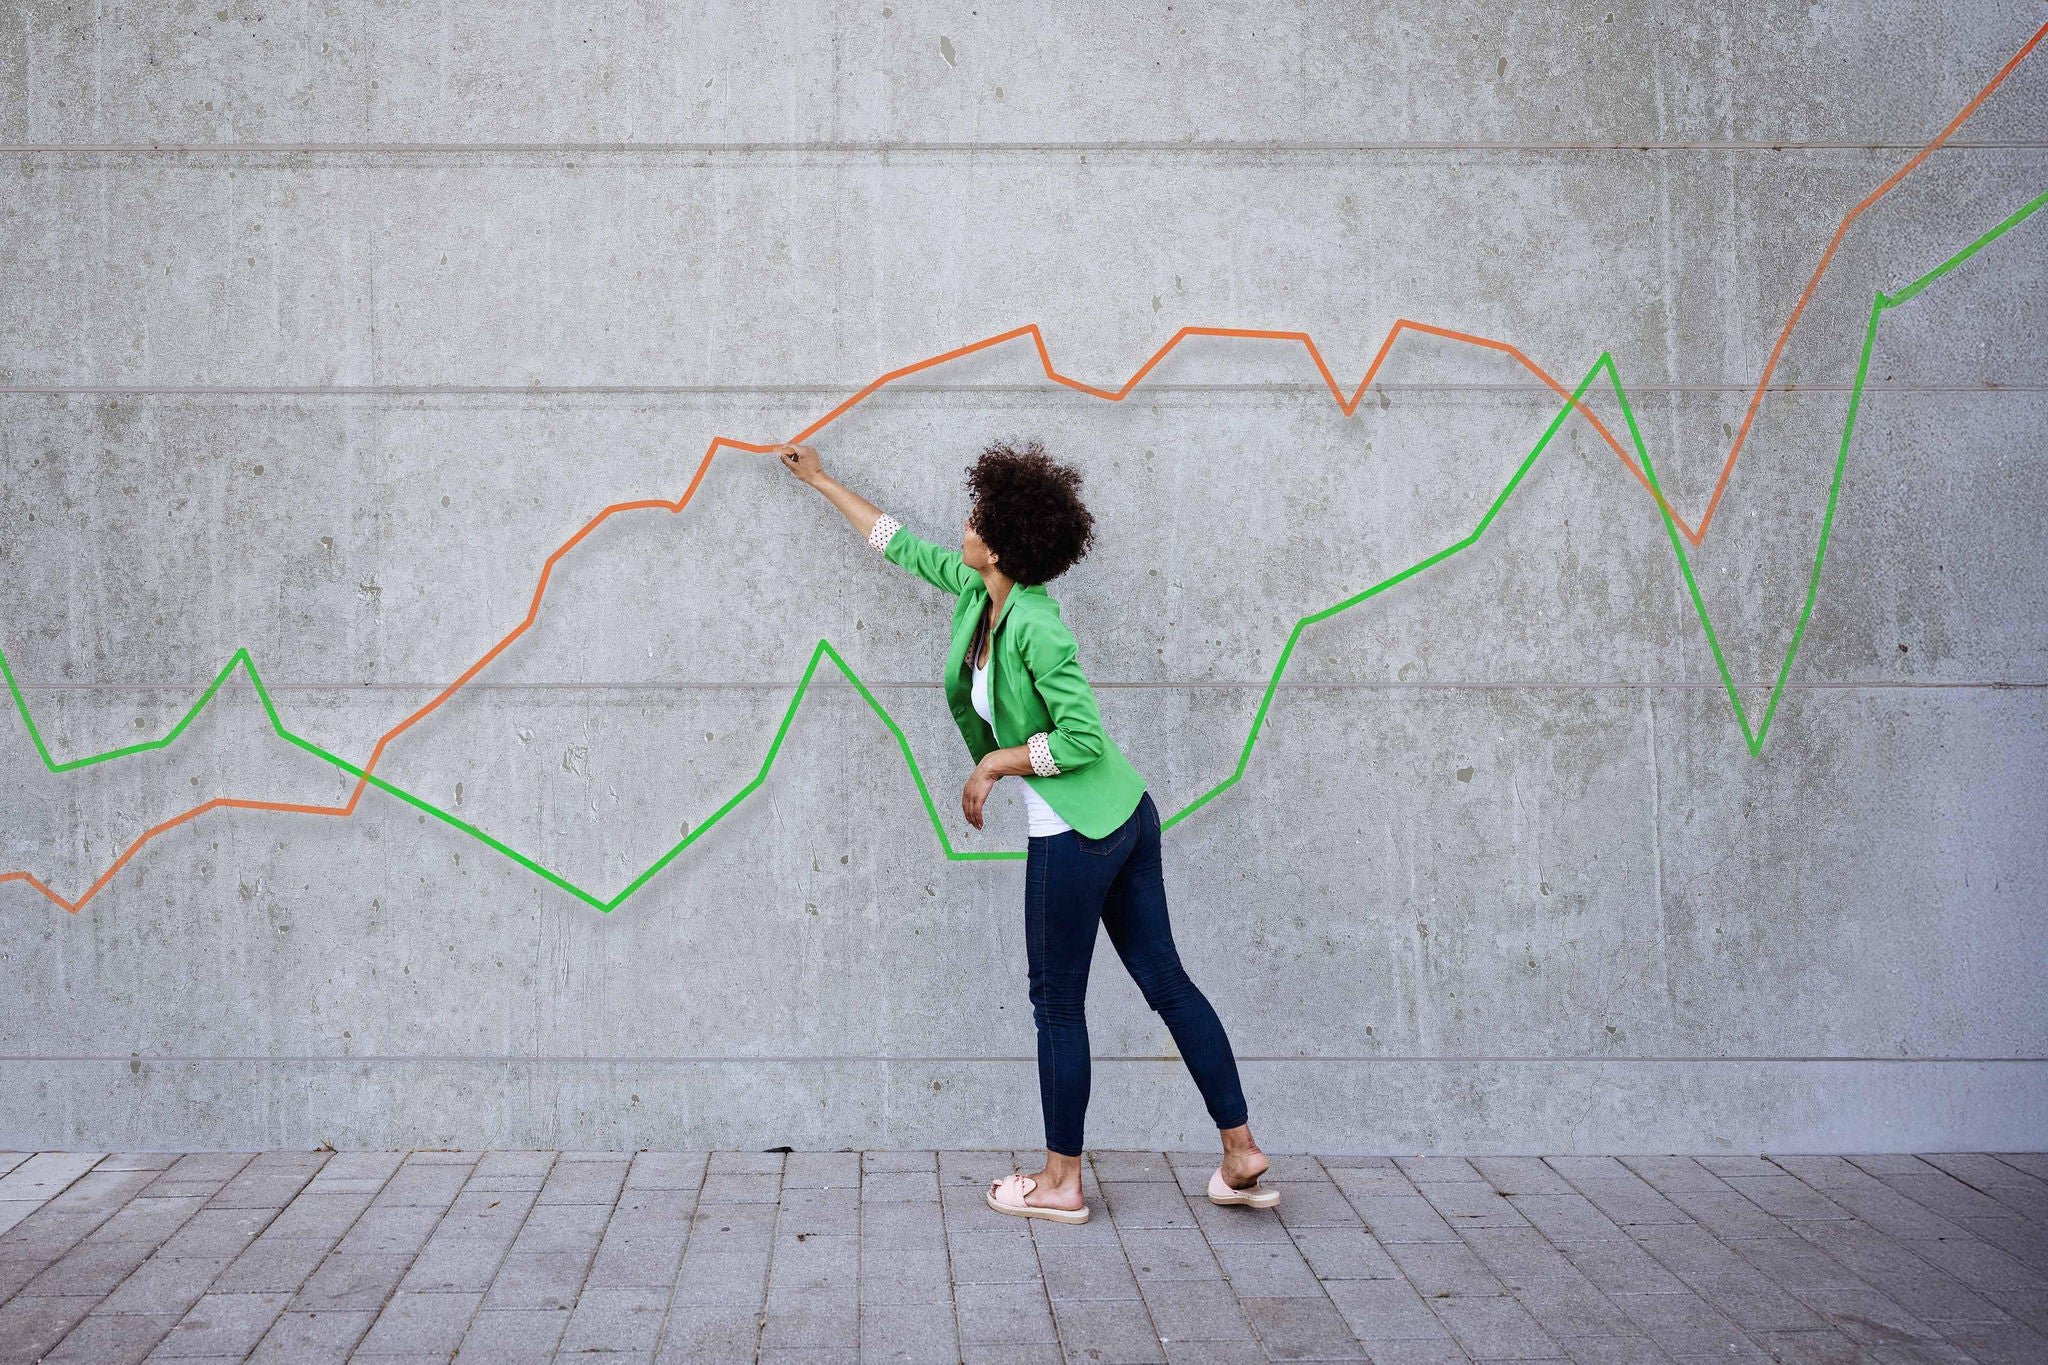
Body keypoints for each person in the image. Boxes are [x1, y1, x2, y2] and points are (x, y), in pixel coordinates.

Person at [775, 437, 1281, 1223]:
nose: (964, 524)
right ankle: (1241, 1152)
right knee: (1166, 981)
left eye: (977, 516)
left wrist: (994, 764)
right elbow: (898, 545)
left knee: (1058, 1005)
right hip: (1123, 814)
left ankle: (1060, 1181)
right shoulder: (981, 592)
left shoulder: (1038, 624)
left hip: (1079, 832)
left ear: (1004, 542)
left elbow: (1080, 737)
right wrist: (821, 480)